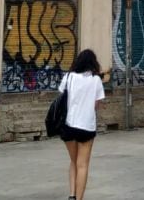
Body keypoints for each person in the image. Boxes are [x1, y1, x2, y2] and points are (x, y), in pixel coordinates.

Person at [58, 49, 105, 200]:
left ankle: (71, 195)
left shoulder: (69, 77)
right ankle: (79, 198)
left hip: (68, 125)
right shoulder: (96, 80)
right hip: (86, 127)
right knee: (82, 164)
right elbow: (96, 104)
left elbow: (61, 96)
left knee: (73, 161)